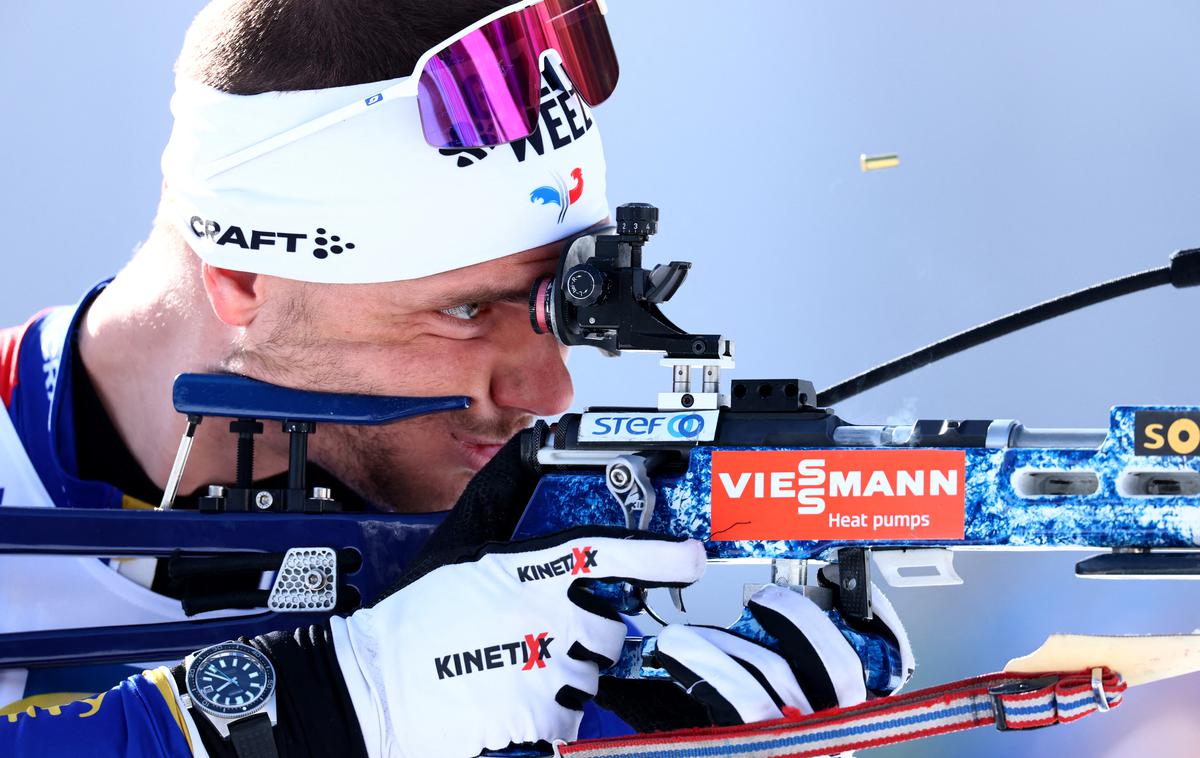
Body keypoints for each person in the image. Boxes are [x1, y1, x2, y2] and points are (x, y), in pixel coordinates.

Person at [0, 0, 913, 755]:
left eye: (558, 312)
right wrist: (313, 712)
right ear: (243, 274)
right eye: (468, 311)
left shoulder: (494, 558)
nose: (550, 392)